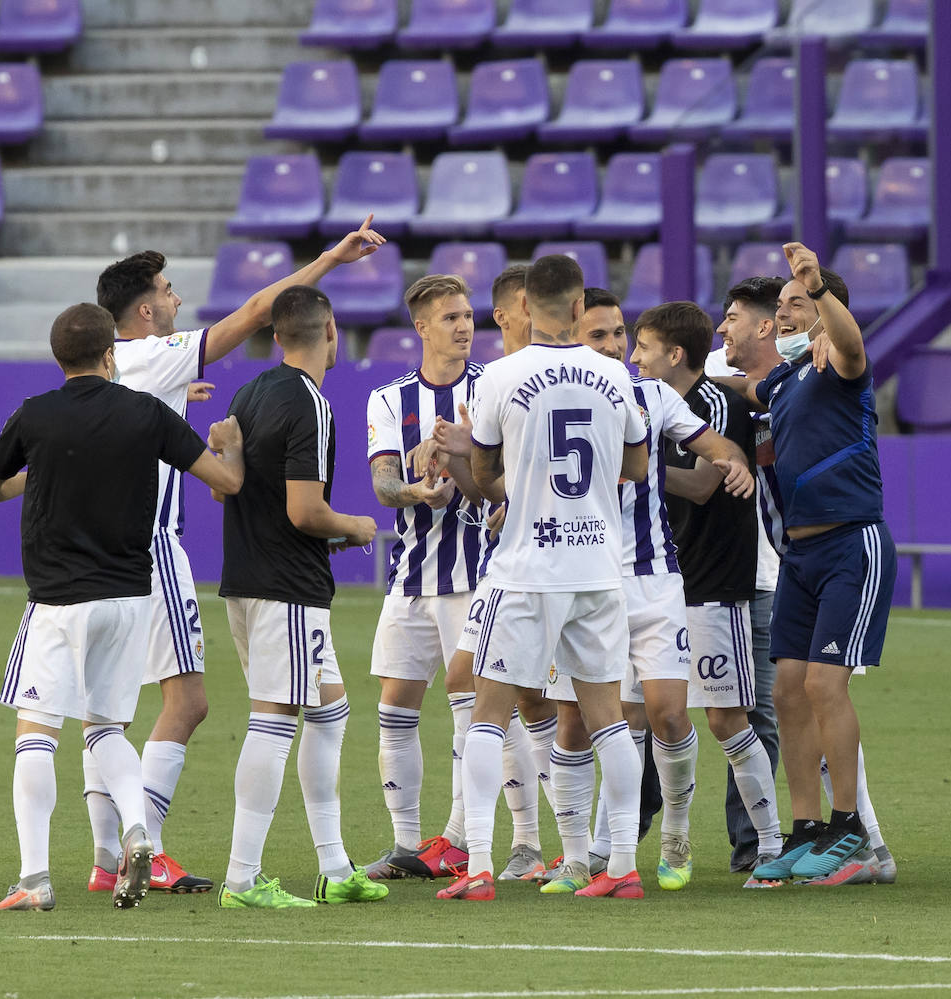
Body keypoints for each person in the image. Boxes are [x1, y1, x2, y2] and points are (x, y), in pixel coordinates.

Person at [83, 219, 385, 895]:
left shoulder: (112, 373)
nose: (176, 299)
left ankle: (111, 854)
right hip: (153, 546)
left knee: (105, 709)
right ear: (142, 310)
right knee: (197, 702)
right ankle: (157, 847)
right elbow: (254, 311)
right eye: (165, 290)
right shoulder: (155, 356)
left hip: (96, 554)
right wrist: (332, 257)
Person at [0, 303, 245, 912]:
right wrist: (229, 445)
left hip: (57, 601)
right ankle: (140, 831)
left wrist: (37, 472)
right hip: (128, 597)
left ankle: (35, 879)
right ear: (110, 354)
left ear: (57, 358)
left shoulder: (35, 415)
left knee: (37, 734)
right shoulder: (146, 412)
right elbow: (225, 483)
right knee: (106, 730)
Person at [435, 254, 650, 902]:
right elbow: (636, 466)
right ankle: (623, 865)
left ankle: (477, 865)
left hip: (527, 565)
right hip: (596, 565)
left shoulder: (498, 377)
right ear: (581, 307)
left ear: (526, 306)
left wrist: (514, 475)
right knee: (609, 718)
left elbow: (485, 470)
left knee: (485, 714)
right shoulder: (614, 375)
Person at [539, 289, 754, 896]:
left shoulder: (653, 394)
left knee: (666, 712)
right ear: (572, 342)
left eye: (617, 335)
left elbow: (712, 445)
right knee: (576, 723)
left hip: (656, 578)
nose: (614, 348)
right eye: (599, 336)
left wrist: (731, 459)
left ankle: (677, 834)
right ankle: (578, 857)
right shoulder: (549, 399)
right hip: (583, 580)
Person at [715, 244, 897, 887]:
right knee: (785, 691)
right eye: (784, 305)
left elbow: (850, 343)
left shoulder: (843, 365)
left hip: (853, 543)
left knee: (824, 686)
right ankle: (806, 830)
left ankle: (850, 830)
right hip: (800, 554)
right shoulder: (785, 381)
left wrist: (821, 292)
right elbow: (733, 381)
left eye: (798, 304)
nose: (786, 314)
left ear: (824, 311)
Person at [364, 273, 542, 884]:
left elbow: (503, 481)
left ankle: (517, 841)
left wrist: (459, 459)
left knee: (486, 708)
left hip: (479, 574)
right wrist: (414, 489)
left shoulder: (493, 386)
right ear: (421, 327)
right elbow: (384, 485)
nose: (465, 327)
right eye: (450, 318)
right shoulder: (389, 400)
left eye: (468, 316)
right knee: (395, 708)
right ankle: (409, 844)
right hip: (411, 578)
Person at [217, 285, 389, 909]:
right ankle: (242, 878)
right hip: (284, 586)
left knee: (330, 710)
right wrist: (356, 527)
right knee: (275, 719)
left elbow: (226, 489)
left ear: (276, 335)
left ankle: (336, 866)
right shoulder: (310, 404)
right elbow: (305, 511)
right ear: (330, 330)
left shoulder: (250, 393)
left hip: (250, 577)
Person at [630, 302, 785, 885]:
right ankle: (636, 846)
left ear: (674, 355)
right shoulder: (650, 401)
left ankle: (766, 846)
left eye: (642, 348)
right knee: (638, 716)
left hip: (714, 585)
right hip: (656, 584)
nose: (633, 358)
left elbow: (700, 485)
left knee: (728, 718)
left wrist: (631, 468)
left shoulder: (716, 406)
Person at [706, 276, 786, 872]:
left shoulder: (807, 368)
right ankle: (627, 835)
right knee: (654, 707)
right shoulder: (708, 369)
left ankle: (753, 844)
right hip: (696, 568)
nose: (721, 328)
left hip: (770, 571)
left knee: (758, 711)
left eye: (732, 317)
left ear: (765, 325)